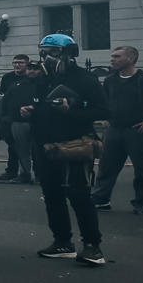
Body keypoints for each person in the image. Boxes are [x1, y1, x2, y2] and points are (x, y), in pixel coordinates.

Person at [25, 33, 108, 266]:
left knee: (79, 195)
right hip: (46, 145)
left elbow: (103, 111)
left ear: (68, 55)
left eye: (52, 53)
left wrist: (72, 110)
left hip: (75, 144)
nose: (47, 58)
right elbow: (42, 107)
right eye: (44, 53)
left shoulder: (85, 79)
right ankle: (62, 241)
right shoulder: (42, 80)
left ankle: (93, 245)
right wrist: (32, 111)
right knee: (52, 195)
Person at [92, 46, 143, 214]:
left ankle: (141, 202)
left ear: (130, 58)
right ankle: (101, 199)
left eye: (117, 56)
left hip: (136, 130)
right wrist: (105, 116)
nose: (112, 60)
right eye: (112, 56)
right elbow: (104, 100)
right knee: (106, 166)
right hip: (114, 129)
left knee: (141, 168)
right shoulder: (110, 80)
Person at [0, 55, 41, 183]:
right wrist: (6, 117)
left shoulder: (42, 83)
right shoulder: (12, 82)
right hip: (16, 121)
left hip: (36, 121)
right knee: (18, 149)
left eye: (35, 69)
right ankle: (20, 173)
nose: (31, 71)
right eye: (15, 63)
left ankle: (39, 175)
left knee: (37, 150)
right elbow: (5, 99)